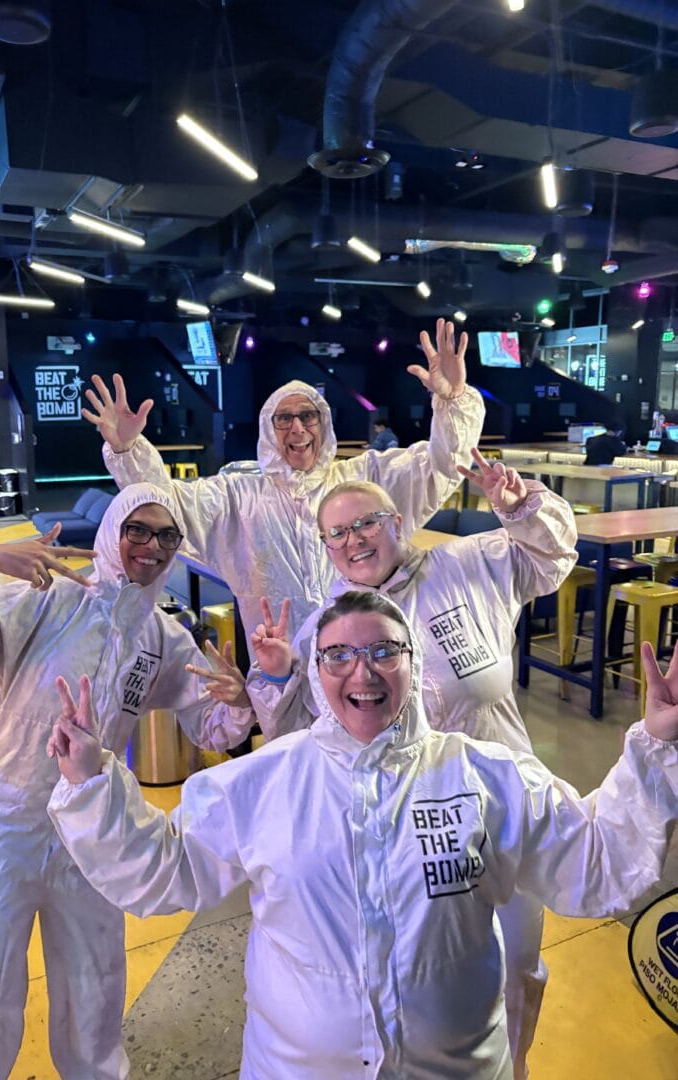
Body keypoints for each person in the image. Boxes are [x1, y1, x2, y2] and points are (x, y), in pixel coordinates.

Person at [47, 591, 678, 1080]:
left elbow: (594, 861)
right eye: (339, 656)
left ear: (413, 664)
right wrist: (91, 785)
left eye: (383, 652)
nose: (363, 672)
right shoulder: (263, 782)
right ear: (317, 671)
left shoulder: (486, 776)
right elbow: (166, 869)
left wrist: (655, 743)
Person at [0, 483, 256, 1080]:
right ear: (113, 533)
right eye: (137, 530)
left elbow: (210, 726)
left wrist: (243, 699)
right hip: (7, 824)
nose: (152, 547)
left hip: (92, 832)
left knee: (95, 986)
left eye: (166, 536)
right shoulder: (44, 603)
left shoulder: (161, 638)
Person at [245, 454, 577, 1077]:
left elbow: (552, 557)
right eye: (338, 532)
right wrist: (276, 676)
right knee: (422, 980)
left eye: (366, 522)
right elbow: (302, 736)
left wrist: (520, 509)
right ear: (326, 547)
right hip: (405, 836)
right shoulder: (327, 628)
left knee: (517, 965)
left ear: (397, 522)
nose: (354, 540)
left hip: (501, 810)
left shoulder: (468, 566)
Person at [82, 319, 485, 642]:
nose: (298, 428)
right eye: (284, 419)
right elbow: (165, 507)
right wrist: (128, 451)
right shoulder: (238, 499)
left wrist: (452, 403)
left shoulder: (365, 480)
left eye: (308, 416)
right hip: (280, 672)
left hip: (367, 660)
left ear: (323, 424)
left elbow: (439, 467)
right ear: (268, 429)